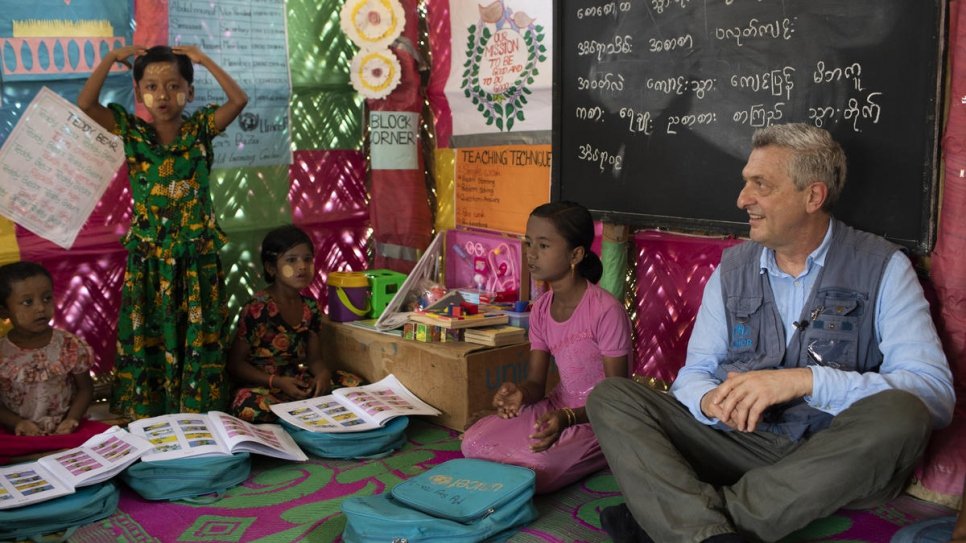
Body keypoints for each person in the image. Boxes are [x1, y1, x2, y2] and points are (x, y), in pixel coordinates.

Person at [586, 123, 956, 542]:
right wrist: (710, 400)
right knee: (612, 397)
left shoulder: (883, 266)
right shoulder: (731, 271)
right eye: (746, 183)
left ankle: (683, 523)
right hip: (741, 446)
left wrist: (804, 381)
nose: (743, 200)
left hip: (837, 456)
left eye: (760, 185)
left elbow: (934, 395)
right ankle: (712, 530)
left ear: (812, 196)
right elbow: (693, 374)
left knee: (903, 413)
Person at [77, 44, 248, 420]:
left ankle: (200, 412)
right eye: (151, 86)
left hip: (195, 259)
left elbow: (238, 100)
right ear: (138, 93)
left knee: (199, 335)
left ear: (190, 91)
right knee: (148, 337)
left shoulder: (201, 129)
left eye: (174, 85)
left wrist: (204, 60)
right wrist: (110, 60)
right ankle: (151, 413)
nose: (163, 95)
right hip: (150, 260)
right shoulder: (133, 133)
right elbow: (87, 105)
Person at [461, 201, 633, 493]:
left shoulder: (606, 311)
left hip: (599, 420)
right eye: (529, 243)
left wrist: (569, 419)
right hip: (556, 407)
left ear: (575, 254)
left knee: (537, 470)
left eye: (543, 245)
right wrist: (520, 394)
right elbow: (536, 386)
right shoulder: (541, 309)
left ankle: (601, 452)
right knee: (472, 442)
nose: (531, 254)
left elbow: (616, 400)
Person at [227, 225, 343, 423]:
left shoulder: (311, 308)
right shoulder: (258, 309)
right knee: (250, 407)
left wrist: (322, 375)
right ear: (272, 268)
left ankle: (300, 414)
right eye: (291, 260)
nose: (302, 266)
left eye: (307, 259)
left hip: (298, 383)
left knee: (353, 384)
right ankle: (300, 416)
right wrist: (277, 381)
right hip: (265, 387)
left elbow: (315, 360)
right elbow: (235, 365)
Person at [0, 262, 110, 464]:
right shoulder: (2, 354)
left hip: (65, 432)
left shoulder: (68, 345)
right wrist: (18, 423)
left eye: (47, 298)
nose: (41, 307)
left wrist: (72, 420)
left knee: (108, 443)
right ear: (4, 311)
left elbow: (85, 389)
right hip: (18, 435)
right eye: (27, 302)